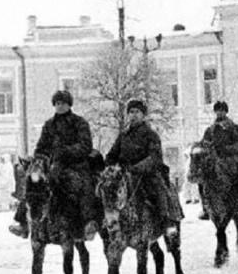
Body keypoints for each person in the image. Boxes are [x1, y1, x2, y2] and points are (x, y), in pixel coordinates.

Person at [10, 90, 99, 239]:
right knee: (33, 184)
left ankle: (87, 222)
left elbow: (85, 146)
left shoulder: (79, 123)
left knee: (82, 188)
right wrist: (38, 159)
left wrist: (65, 151)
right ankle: (23, 222)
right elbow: (41, 147)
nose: (60, 106)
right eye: (57, 103)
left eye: (63, 103)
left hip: (75, 165)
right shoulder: (49, 125)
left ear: (69, 105)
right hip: (52, 165)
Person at [105, 98, 183, 234]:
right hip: (125, 173)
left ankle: (167, 221)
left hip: (147, 173)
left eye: (137, 112)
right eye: (131, 112)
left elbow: (154, 157)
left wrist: (138, 168)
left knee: (159, 189)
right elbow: (113, 154)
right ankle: (111, 222)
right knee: (109, 190)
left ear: (143, 115)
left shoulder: (151, 135)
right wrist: (110, 166)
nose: (133, 115)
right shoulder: (123, 135)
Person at [202, 100, 238, 188]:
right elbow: (204, 143)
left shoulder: (233, 127)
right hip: (215, 157)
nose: (219, 113)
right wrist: (207, 145)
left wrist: (227, 149)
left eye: (222, 111)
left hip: (230, 158)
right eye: (217, 111)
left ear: (226, 112)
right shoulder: (210, 130)